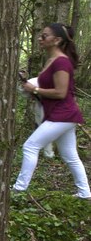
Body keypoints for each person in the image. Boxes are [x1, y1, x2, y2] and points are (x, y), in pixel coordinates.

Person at [13, 24, 91, 199]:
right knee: (70, 155)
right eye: (41, 35)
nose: (41, 39)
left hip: (63, 114)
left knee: (30, 146)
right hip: (61, 114)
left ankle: (19, 190)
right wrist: (32, 90)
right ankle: (85, 194)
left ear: (57, 40)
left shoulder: (61, 62)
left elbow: (61, 92)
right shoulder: (52, 60)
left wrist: (35, 90)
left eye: (45, 36)